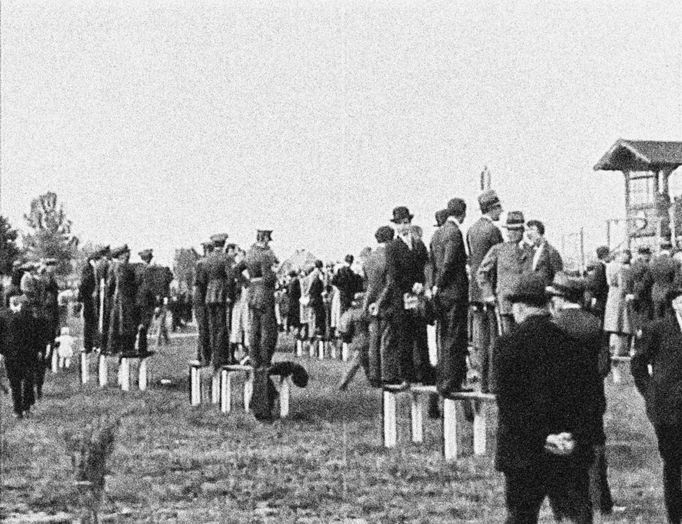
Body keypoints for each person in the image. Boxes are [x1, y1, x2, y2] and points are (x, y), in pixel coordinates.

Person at [493, 273, 600, 524]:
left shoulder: (507, 345)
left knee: (520, 516)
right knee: (575, 516)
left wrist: (542, 436)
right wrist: (572, 435)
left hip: (523, 451)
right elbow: (589, 399)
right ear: (549, 305)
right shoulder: (572, 343)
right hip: (566, 448)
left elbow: (509, 405)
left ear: (518, 308)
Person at [547, 272, 617, 516]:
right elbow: (603, 366)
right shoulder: (595, 323)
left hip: (560, 397)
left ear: (560, 298)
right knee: (595, 449)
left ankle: (563, 505)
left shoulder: (553, 325)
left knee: (562, 449)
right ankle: (600, 501)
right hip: (591, 396)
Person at [632, 285, 682, 524]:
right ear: (674, 303)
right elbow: (638, 365)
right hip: (669, 410)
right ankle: (675, 517)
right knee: (673, 464)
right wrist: (651, 394)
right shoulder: (658, 329)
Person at [383, 206, 433, 385]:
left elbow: (426, 266)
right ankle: (407, 376)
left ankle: (425, 373)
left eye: (406, 223)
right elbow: (394, 275)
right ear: (395, 226)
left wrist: (425, 285)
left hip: (418, 296)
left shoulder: (419, 244)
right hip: (402, 296)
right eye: (400, 224)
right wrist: (412, 285)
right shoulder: (392, 247)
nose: (403, 227)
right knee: (405, 336)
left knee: (421, 335)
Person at [431, 197, 470, 395]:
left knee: (444, 337)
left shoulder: (437, 234)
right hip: (454, 292)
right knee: (455, 337)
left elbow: (433, 264)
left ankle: (443, 380)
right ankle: (452, 382)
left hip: (443, 294)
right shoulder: (455, 233)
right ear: (462, 213)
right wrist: (441, 283)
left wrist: (435, 286)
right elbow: (449, 262)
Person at [466, 189, 504, 393]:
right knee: (494, 339)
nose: (501, 212)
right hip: (490, 291)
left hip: (476, 291)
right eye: (499, 208)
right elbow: (498, 262)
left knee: (481, 339)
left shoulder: (471, 230)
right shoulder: (493, 231)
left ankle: (484, 382)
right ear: (492, 208)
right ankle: (493, 382)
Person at [477, 211, 533, 335]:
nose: (512, 233)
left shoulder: (531, 250)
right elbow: (482, 273)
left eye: (516, 230)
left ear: (522, 231)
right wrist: (488, 294)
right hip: (506, 304)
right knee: (508, 340)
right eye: (510, 230)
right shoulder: (498, 250)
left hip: (527, 304)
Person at [195, 233, 234, 367]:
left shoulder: (207, 259)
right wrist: (230, 294)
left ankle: (210, 355)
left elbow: (203, 280)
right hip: (221, 294)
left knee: (211, 326)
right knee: (222, 326)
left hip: (209, 295)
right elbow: (230, 278)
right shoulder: (226, 258)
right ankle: (220, 356)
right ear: (223, 244)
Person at [363, 225, 395, 387]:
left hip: (371, 302)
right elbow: (390, 283)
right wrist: (380, 302)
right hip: (386, 302)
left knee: (374, 340)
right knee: (387, 340)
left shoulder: (369, 258)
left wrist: (369, 303)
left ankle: (374, 374)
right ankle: (386, 373)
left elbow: (368, 284)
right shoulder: (389, 256)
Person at [106, 245, 138, 355]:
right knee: (124, 323)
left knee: (120, 323)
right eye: (126, 253)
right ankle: (123, 346)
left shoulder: (115, 267)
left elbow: (109, 286)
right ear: (121, 255)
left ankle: (117, 346)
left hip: (122, 299)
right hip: (123, 299)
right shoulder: (122, 268)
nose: (128, 255)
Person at [603, 249, 634, 357]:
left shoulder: (609, 267)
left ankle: (612, 349)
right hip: (620, 297)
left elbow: (609, 282)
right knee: (622, 324)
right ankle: (620, 350)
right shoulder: (622, 269)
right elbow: (623, 285)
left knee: (613, 325)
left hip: (611, 295)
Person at [526, 219, 563, 285]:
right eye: (527, 230)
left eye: (532, 229)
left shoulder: (551, 252)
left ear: (540, 232)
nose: (528, 233)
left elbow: (559, 276)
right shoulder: (529, 251)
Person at [194, 240, 213, 364]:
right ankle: (203, 356)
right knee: (205, 328)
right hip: (202, 299)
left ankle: (203, 355)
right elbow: (201, 281)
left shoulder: (201, 263)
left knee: (204, 329)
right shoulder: (203, 264)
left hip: (202, 298)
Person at [649, 240, 678, 320]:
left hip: (656, 293)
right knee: (669, 318)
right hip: (668, 293)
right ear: (670, 249)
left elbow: (650, 278)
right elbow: (677, 280)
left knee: (658, 318)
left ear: (661, 249)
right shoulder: (674, 262)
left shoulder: (653, 262)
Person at [585, 246, 611, 323]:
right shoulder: (600, 267)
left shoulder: (600, 266)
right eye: (608, 254)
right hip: (601, 298)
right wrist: (595, 296)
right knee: (601, 319)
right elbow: (597, 284)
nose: (609, 256)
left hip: (601, 298)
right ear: (604, 255)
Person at [630, 246, 653, 331]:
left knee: (637, 315)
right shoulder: (646, 266)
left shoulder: (633, 265)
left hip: (635, 293)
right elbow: (646, 281)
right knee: (645, 315)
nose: (648, 256)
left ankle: (638, 333)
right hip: (644, 294)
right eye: (647, 254)